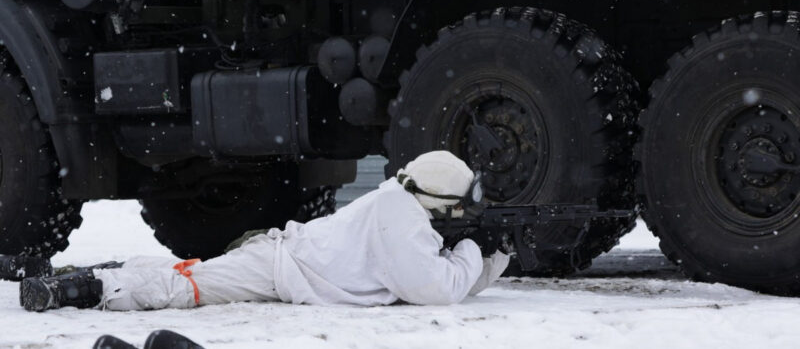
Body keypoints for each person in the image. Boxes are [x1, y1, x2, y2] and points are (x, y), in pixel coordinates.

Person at [15, 150, 509, 312]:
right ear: (437, 201)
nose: (459, 220)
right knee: (187, 287)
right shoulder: (401, 217)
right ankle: (83, 289)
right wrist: (473, 251)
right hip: (276, 267)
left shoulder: (399, 202)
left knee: (191, 275)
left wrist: (493, 258)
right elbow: (436, 288)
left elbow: (444, 276)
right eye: (458, 210)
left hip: (282, 262)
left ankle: (93, 275)